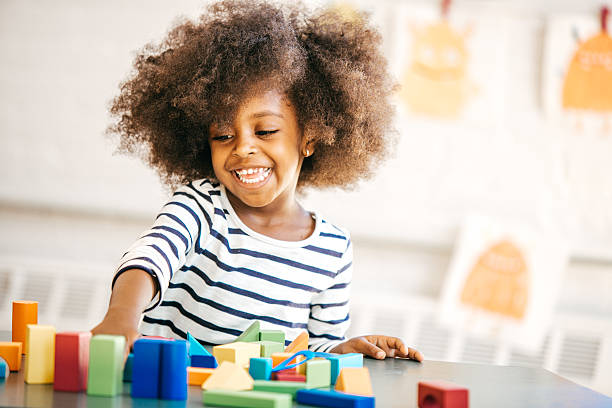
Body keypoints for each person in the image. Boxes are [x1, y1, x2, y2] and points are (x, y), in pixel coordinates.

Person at [92, 0, 423, 363]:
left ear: (309, 137)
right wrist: (122, 316)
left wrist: (344, 349)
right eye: (221, 135)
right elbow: (149, 258)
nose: (243, 147)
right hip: (170, 388)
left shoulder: (333, 249)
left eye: (265, 130)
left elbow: (314, 350)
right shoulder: (200, 207)